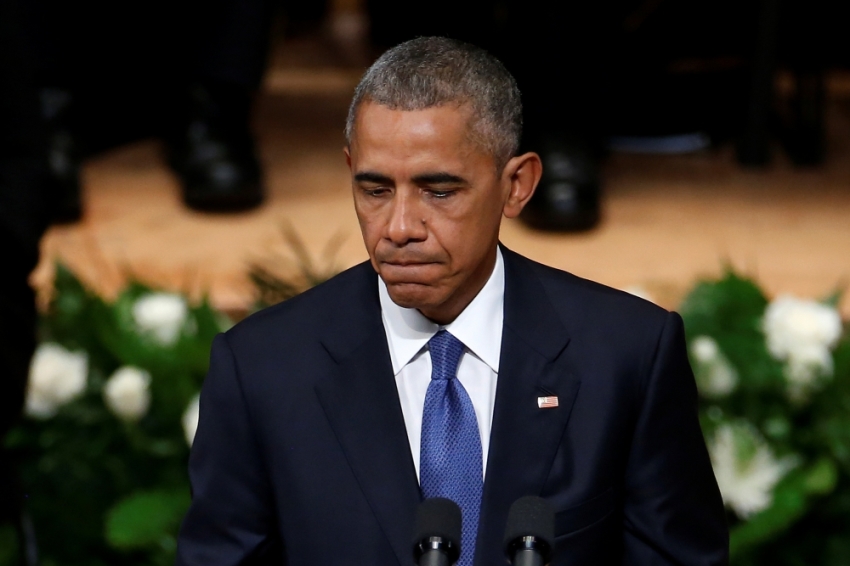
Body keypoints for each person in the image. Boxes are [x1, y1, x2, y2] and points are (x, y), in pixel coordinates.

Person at [176, 37, 728, 566]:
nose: (399, 227)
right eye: (375, 190)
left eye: (438, 191)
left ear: (517, 184)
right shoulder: (262, 369)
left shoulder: (627, 356)